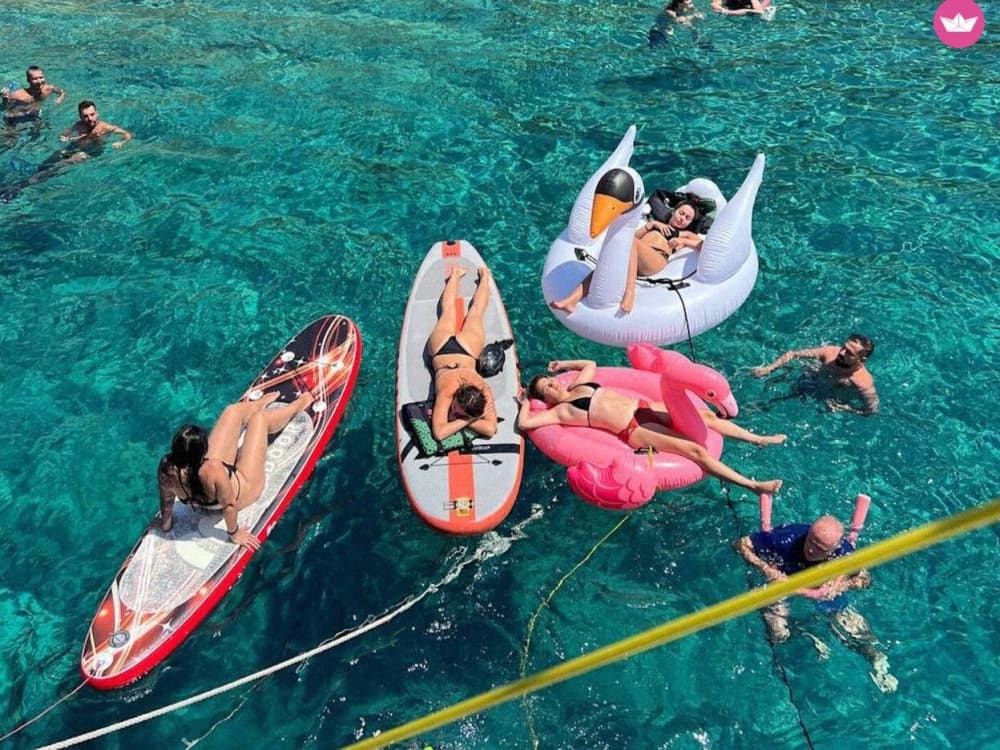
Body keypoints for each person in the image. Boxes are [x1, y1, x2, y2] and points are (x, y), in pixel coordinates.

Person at [517, 358, 784, 495]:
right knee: (696, 452)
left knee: (708, 418)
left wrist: (563, 365)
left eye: (551, 380)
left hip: (645, 405)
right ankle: (753, 485)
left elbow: (590, 364)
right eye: (547, 388)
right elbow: (526, 422)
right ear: (546, 399)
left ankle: (758, 438)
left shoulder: (580, 385)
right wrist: (527, 401)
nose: (554, 384)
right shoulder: (562, 412)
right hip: (634, 429)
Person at [735, 514, 898, 692]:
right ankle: (806, 634)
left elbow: (864, 580)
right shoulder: (785, 539)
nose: (811, 550)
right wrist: (766, 569)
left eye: (819, 548)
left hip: (818, 588)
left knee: (855, 629)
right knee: (778, 633)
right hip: (781, 582)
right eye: (811, 541)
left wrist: (841, 586)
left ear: (833, 548)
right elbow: (741, 544)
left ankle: (878, 662)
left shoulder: (843, 552)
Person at [157, 391, 316, 550]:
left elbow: (167, 499)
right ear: (202, 452)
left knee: (232, 412)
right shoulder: (213, 469)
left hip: (206, 497)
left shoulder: (166, 468)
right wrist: (234, 534)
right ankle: (298, 406)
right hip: (244, 490)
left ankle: (256, 405)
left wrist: (166, 525)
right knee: (260, 420)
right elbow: (229, 506)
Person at [550, 201, 705, 314]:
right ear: (673, 211)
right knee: (605, 264)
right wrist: (650, 226)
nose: (682, 218)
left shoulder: (685, 234)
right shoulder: (656, 224)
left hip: (656, 259)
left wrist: (682, 241)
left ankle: (629, 294)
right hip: (635, 256)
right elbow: (630, 239)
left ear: (690, 223)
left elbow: (703, 246)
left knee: (631, 242)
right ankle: (571, 300)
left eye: (687, 218)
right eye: (681, 213)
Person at [426, 266, 498, 442]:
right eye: (457, 408)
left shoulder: (484, 390)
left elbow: (490, 429)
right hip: (460, 352)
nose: (454, 412)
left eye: (456, 411)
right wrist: (470, 419)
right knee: (472, 312)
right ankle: (464, 275)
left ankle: (481, 276)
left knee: (464, 311)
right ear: (457, 395)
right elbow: (440, 432)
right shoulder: (448, 391)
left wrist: (465, 419)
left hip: (446, 349)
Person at [751, 334, 879, 414]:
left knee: (782, 403)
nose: (841, 353)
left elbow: (871, 411)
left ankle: (757, 408)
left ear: (862, 360)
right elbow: (793, 354)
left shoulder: (862, 383)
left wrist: (843, 408)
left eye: (849, 353)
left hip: (826, 398)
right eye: (843, 347)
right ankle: (756, 405)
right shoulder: (830, 353)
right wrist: (769, 368)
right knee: (778, 380)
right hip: (811, 380)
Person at [59, 99, 132, 152]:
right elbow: (63, 135)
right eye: (85, 116)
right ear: (80, 117)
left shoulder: (105, 127)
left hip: (93, 151)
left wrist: (121, 143)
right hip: (78, 146)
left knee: (68, 161)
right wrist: (63, 138)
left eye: (92, 114)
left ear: (97, 114)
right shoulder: (79, 125)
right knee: (58, 155)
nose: (90, 118)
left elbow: (128, 134)